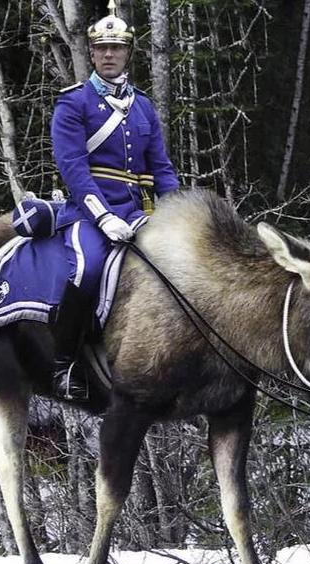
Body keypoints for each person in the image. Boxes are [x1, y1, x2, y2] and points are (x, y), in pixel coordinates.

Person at [50, 7, 179, 401]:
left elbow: (161, 169)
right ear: (91, 53)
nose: (109, 55)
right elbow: (73, 167)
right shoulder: (74, 103)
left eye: (116, 49)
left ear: (127, 54)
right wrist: (103, 216)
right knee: (88, 268)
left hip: (139, 213)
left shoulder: (143, 107)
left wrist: (179, 216)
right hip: (89, 210)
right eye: (101, 48)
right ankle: (63, 363)